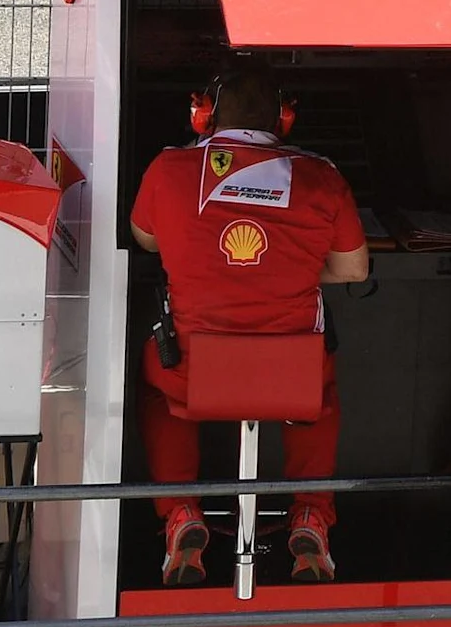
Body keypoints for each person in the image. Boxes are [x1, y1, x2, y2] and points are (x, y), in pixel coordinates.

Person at [128, 57, 368, 585]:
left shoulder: (168, 168)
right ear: (283, 120)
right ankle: (310, 516)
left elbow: (146, 238)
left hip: (195, 374)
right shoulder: (321, 175)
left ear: (204, 115)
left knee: (157, 393)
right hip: (290, 376)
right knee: (320, 400)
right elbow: (354, 267)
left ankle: (180, 513)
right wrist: (292, 264)